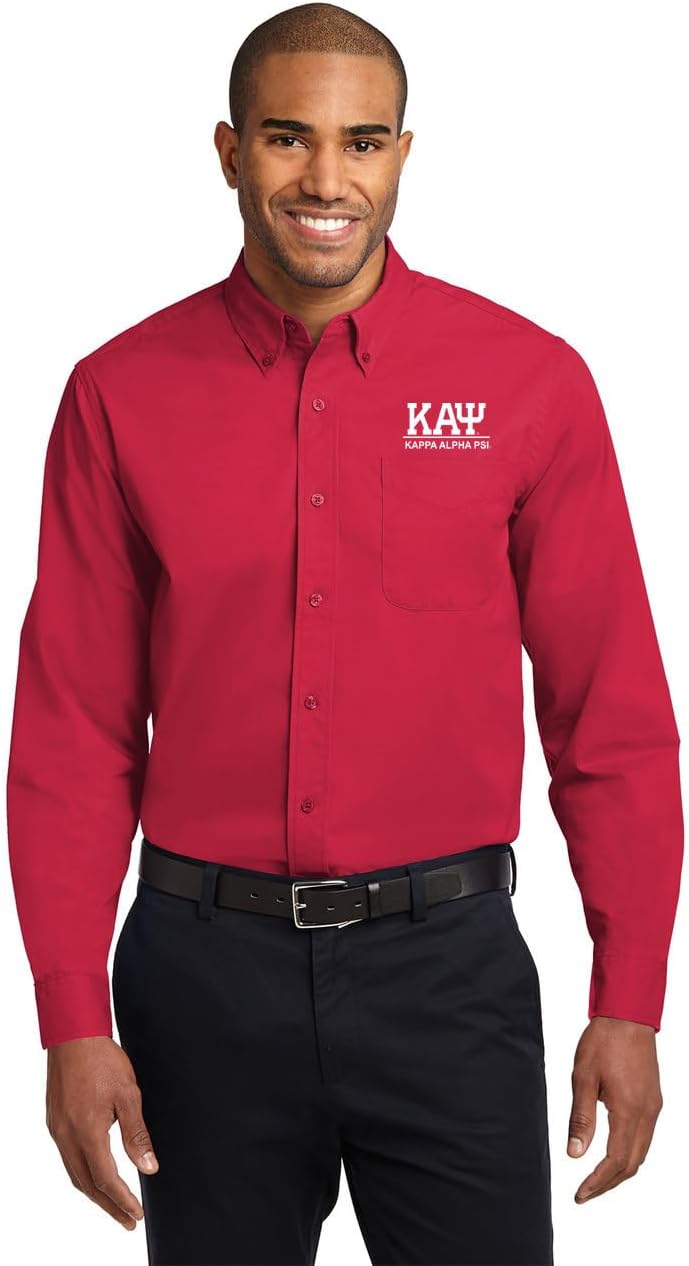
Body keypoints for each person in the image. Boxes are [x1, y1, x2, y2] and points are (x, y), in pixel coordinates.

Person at [6, 3, 683, 1264]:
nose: (326, 180)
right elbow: (72, 730)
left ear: (401, 155)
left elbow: (610, 719)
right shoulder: (118, 394)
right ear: (227, 151)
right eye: (287, 138)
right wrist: (70, 1018)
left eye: (361, 142)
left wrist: (628, 998)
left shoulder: (528, 383)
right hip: (199, 983)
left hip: (450, 976)